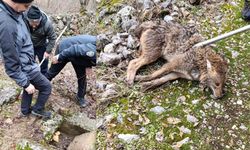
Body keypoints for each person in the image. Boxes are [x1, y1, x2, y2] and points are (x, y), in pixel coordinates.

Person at [0, 0, 52, 119]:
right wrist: (25, 82)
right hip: (26, 68)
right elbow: (11, 65)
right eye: (26, 6)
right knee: (46, 87)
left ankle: (24, 111)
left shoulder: (16, 13)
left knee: (30, 88)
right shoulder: (7, 25)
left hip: (28, 63)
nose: (26, 9)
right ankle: (37, 110)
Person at [45, 35, 96, 107]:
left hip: (78, 56)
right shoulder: (94, 50)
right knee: (52, 73)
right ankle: (41, 86)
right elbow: (75, 49)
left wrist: (88, 65)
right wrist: (59, 57)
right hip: (65, 48)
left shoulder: (96, 48)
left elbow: (86, 54)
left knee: (82, 76)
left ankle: (80, 97)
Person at [25, 5, 57, 75]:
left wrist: (47, 51)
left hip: (41, 46)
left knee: (44, 65)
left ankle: (44, 79)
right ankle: (30, 80)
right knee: (28, 64)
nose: (34, 25)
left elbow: (52, 38)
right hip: (28, 46)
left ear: (40, 19)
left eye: (36, 23)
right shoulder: (23, 20)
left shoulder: (47, 24)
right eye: (31, 23)